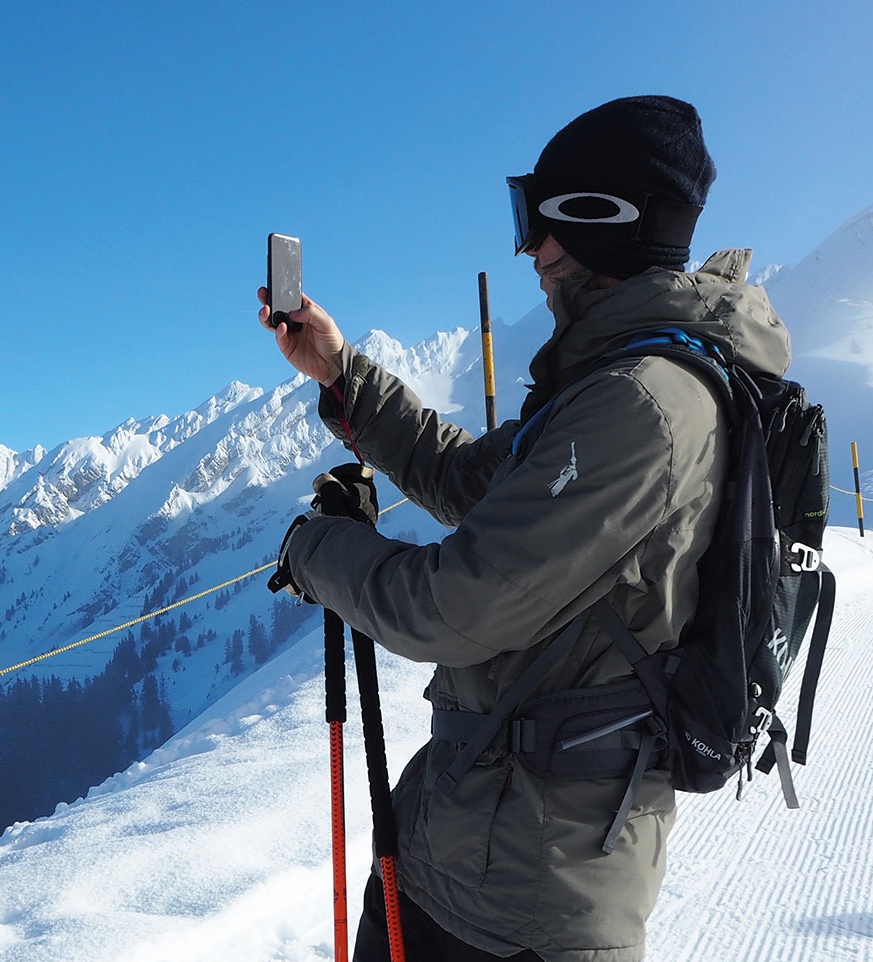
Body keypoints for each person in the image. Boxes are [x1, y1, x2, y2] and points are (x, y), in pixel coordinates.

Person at [259, 96, 793, 962]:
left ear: (602, 224)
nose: (532, 254)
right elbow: (472, 480)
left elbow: (451, 608)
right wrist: (341, 373)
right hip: (475, 855)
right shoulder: (612, 385)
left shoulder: (641, 408)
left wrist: (313, 551)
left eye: (539, 223)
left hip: (523, 908)